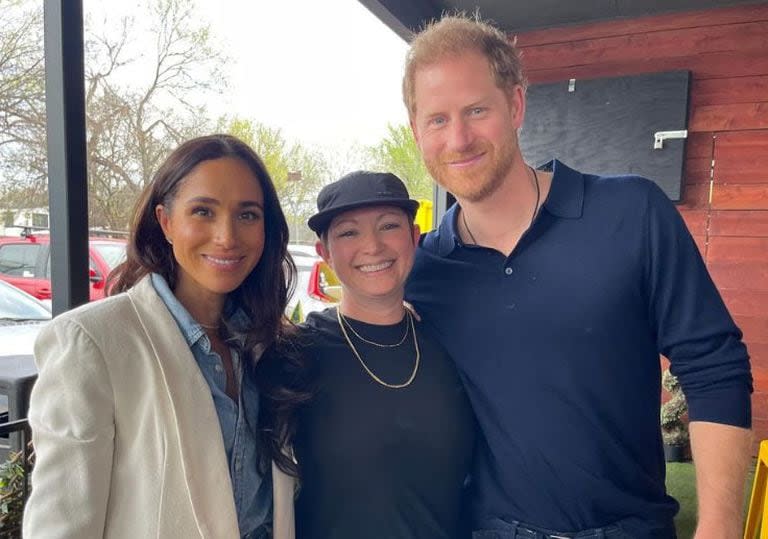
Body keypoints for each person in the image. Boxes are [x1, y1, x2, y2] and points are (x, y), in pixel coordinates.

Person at [402, 15, 753, 539]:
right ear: (416, 131)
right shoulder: (424, 271)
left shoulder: (633, 212)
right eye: (437, 119)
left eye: (477, 110)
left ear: (516, 105)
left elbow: (715, 366)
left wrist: (720, 526)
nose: (459, 138)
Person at [24, 134, 296, 539]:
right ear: (166, 222)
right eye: (203, 211)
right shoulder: (92, 341)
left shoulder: (267, 344)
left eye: (247, 215)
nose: (226, 236)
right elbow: (61, 526)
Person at [258, 171, 476, 538]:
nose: (373, 246)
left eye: (389, 225)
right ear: (324, 252)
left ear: (414, 237)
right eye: (348, 232)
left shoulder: (453, 341)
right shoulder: (295, 354)